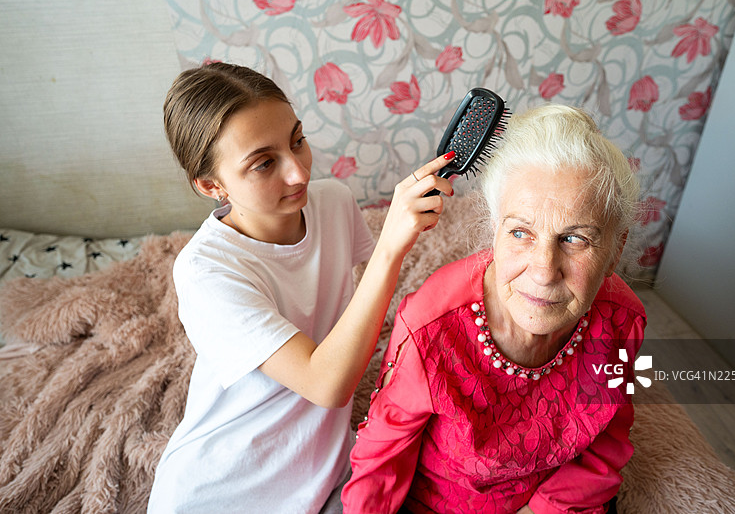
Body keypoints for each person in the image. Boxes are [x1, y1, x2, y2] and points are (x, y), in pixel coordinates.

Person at [147, 62, 455, 513]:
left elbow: (347, 327)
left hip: (326, 474)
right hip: (222, 488)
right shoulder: (206, 270)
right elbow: (325, 383)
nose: (299, 173)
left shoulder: (333, 203)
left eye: (298, 141)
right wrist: (391, 247)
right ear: (212, 185)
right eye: (264, 163)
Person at [341, 104, 647, 514]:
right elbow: (382, 457)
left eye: (574, 239)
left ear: (615, 251)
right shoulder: (432, 328)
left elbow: (604, 447)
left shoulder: (622, 322)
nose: (543, 271)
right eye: (521, 232)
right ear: (495, 233)